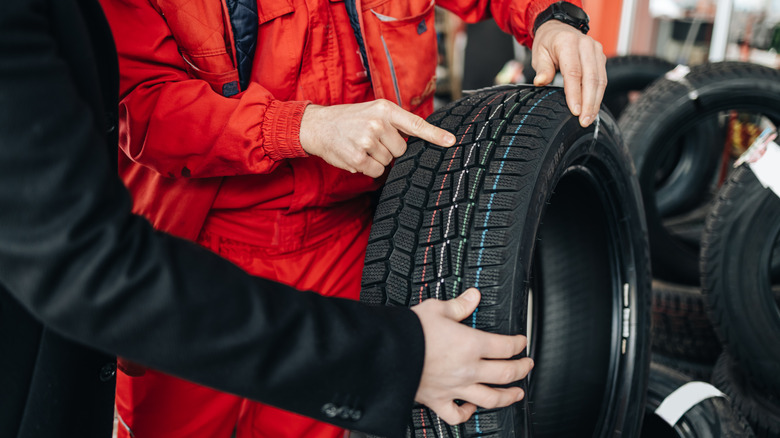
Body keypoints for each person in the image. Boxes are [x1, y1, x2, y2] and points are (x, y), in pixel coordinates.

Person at [0, 1, 535, 438]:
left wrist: (550, 16)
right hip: (197, 256)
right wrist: (303, 128)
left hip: (346, 241)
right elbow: (142, 108)